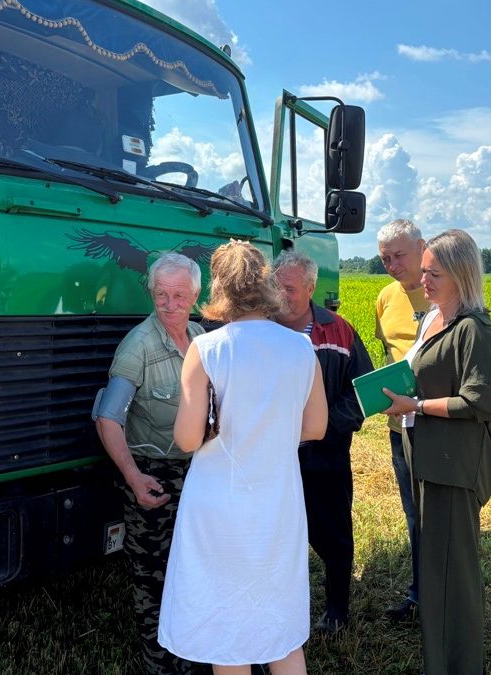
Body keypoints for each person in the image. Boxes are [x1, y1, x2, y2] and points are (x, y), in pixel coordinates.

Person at [159, 242, 328, 674]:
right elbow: (315, 428)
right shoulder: (300, 348)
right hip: (278, 500)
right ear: (267, 283)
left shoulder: (207, 348)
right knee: (280, 627)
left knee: (227, 633)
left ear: (219, 288)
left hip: (219, 506)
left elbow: (187, 439)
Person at [381, 229, 491, 674]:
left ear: (460, 274)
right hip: (428, 460)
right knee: (435, 571)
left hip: (453, 468)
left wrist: (414, 405)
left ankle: (459, 664)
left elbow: (481, 400)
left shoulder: (473, 329)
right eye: (425, 270)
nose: (423, 279)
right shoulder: (434, 317)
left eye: (434, 273)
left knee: (454, 577)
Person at [93, 253, 204, 675]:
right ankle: (158, 664)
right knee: (153, 576)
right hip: (153, 475)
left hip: (196, 473)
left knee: (192, 568)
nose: (169, 304)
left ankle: (190, 653)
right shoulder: (137, 345)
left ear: (195, 296)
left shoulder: (199, 338)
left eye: (179, 295)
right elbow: (108, 419)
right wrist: (135, 478)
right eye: (161, 294)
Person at [271, 251, 372, 633]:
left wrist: (323, 426)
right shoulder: (261, 328)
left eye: (290, 288)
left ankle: (336, 610)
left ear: (312, 288)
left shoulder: (340, 331)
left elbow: (364, 393)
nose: (281, 295)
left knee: (333, 536)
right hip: (274, 459)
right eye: (275, 286)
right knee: (278, 536)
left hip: (325, 457)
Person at [373, 218, 428, 620]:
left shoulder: (445, 293)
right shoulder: (385, 298)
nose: (392, 264)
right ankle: (420, 595)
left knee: (442, 514)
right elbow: (388, 356)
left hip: (438, 422)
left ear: (422, 247)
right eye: (385, 258)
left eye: (399, 255)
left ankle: (447, 593)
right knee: (414, 515)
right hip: (400, 429)